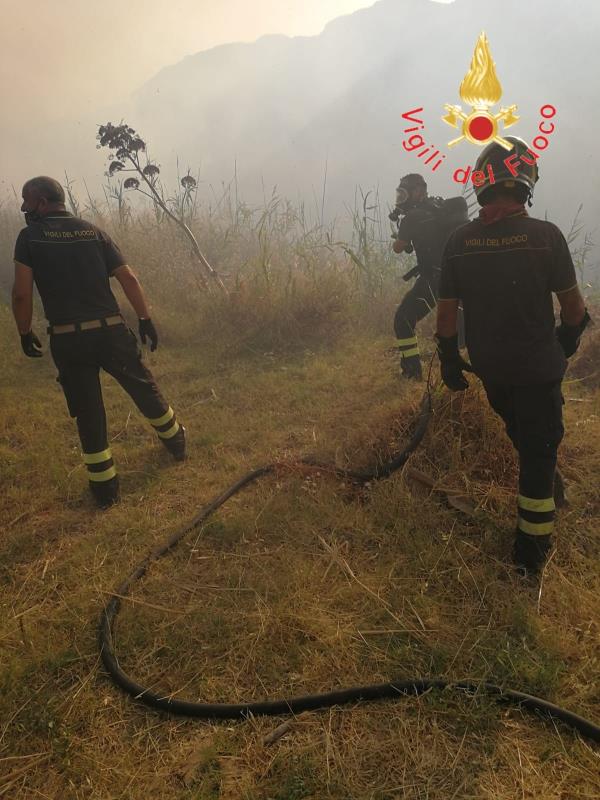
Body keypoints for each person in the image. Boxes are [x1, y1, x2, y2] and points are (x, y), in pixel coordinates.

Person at [435, 137, 590, 575]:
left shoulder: (459, 241)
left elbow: (446, 316)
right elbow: (574, 310)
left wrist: (449, 358)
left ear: (481, 184)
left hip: (490, 369)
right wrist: (568, 339)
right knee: (538, 456)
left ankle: (546, 480)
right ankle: (531, 557)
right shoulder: (546, 237)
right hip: (538, 370)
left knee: (522, 432)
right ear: (526, 185)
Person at [12, 176, 186, 509]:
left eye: (27, 201)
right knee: (142, 388)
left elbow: (21, 293)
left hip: (68, 339)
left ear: (43, 203)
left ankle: (105, 489)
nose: (24, 208)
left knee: (88, 411)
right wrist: (145, 318)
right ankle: (176, 442)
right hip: (110, 332)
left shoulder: (30, 237)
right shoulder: (94, 232)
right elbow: (128, 277)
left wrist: (24, 332)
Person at [391, 173, 468, 380]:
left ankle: (412, 372)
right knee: (462, 330)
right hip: (457, 279)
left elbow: (398, 248)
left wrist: (401, 237)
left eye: (404, 194)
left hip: (434, 281)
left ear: (417, 192)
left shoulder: (411, 218)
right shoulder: (438, 209)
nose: (402, 199)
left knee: (403, 320)